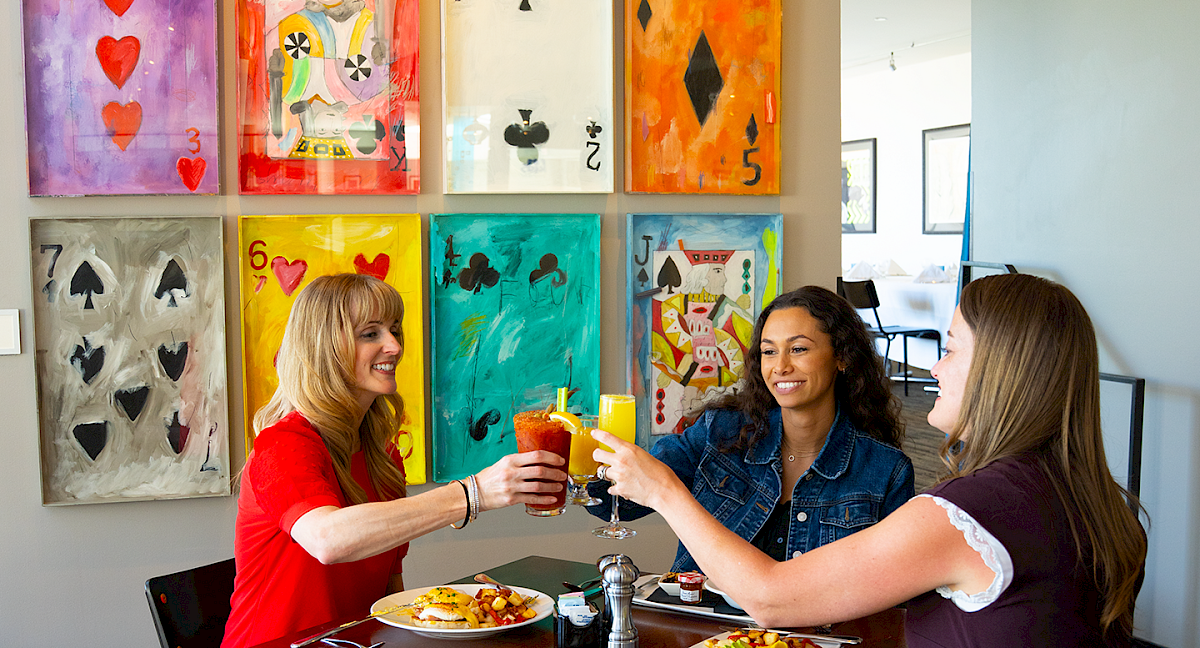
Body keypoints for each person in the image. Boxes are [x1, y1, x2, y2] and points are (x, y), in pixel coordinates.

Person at [594, 274, 1147, 647]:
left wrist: (666, 491)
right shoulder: (1089, 499)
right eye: (767, 348)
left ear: (1002, 370)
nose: (934, 367)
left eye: (950, 348)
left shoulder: (962, 512)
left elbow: (771, 599)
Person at [223, 274, 567, 648]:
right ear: (324, 347)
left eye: (395, 330)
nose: (394, 346)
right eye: (370, 334)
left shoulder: (383, 458)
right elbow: (328, 539)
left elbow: (388, 593)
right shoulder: (284, 444)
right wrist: (472, 493)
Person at [589, 285, 914, 571]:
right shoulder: (719, 433)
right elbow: (619, 502)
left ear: (842, 356)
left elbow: (893, 591)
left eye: (798, 349)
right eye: (769, 351)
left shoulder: (886, 471)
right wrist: (566, 480)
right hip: (705, 631)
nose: (781, 366)